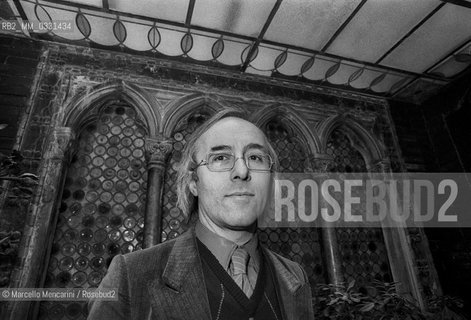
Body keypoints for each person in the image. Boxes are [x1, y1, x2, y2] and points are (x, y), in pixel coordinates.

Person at [88, 109, 314, 320]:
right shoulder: (130, 276)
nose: (243, 171)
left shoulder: (296, 276)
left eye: (255, 158)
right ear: (193, 182)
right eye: (220, 158)